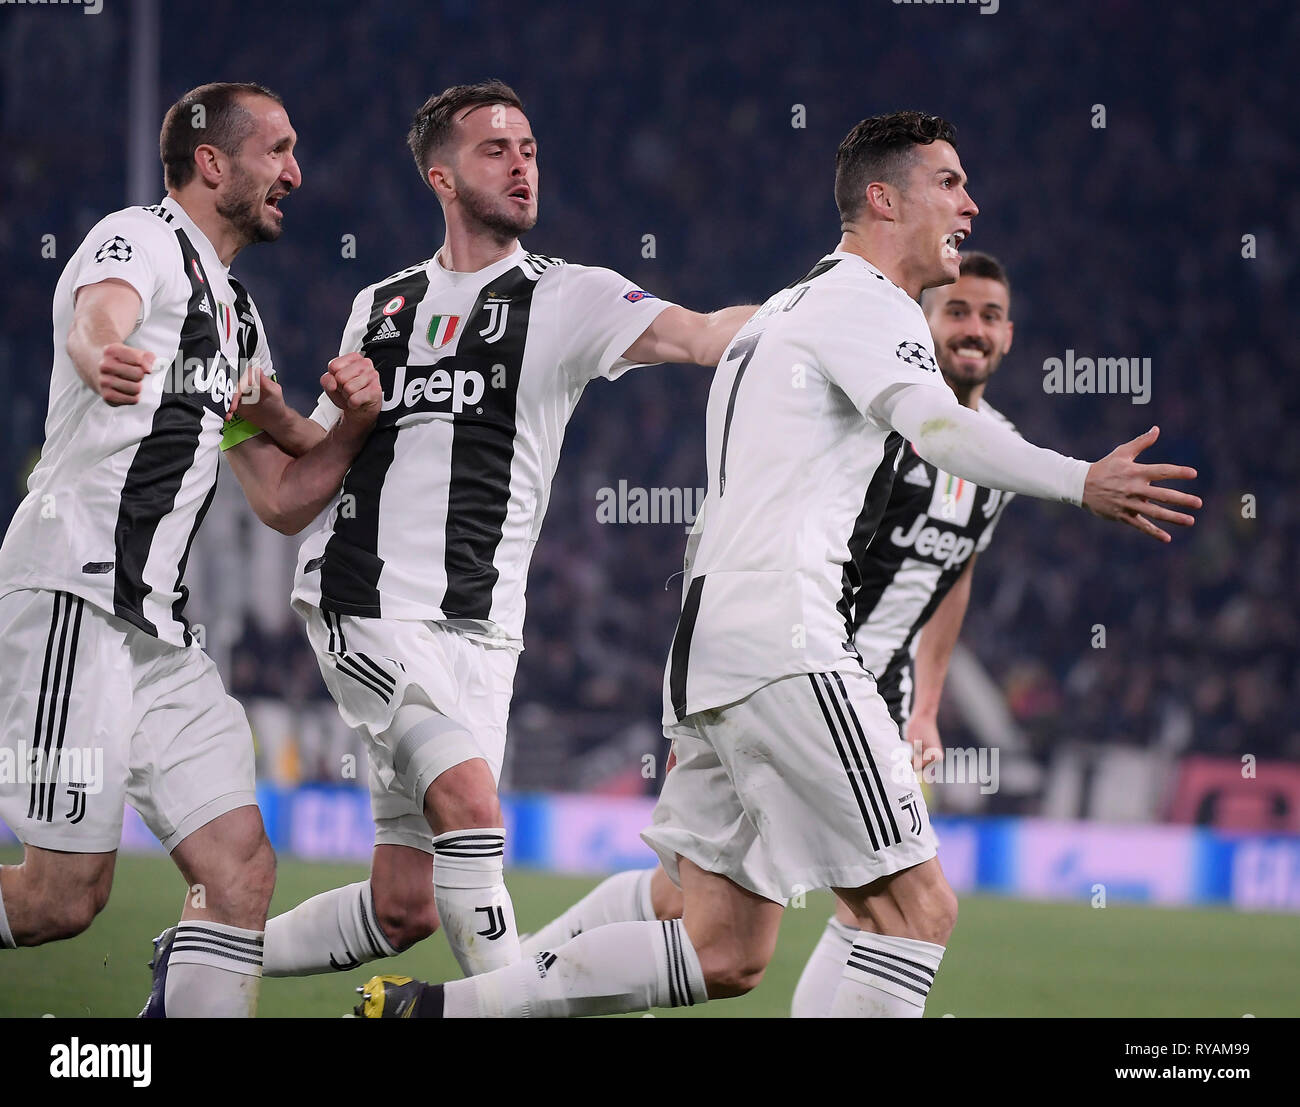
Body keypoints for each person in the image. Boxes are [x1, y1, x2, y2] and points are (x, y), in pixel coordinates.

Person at [355, 111, 1200, 1018]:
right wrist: (1081, 479)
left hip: (715, 648)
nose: (971, 203)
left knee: (722, 948)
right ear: (884, 198)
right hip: (788, 643)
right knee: (916, 910)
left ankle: (440, 1012)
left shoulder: (786, 310)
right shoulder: (867, 304)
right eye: (950, 183)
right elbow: (942, 427)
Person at [216, 80, 756, 984]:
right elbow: (297, 491)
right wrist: (252, 420)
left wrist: (809, 327)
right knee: (473, 809)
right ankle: (502, 1012)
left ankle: (196, 957)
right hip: (368, 604)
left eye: (530, 149)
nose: (520, 165)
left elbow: (703, 337)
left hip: (484, 635)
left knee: (405, 904)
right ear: (441, 176)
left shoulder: (569, 297)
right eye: (495, 150)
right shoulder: (380, 306)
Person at [514, 251, 1021, 1016]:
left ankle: (495, 989)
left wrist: (927, 704)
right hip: (805, 680)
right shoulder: (879, 413)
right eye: (957, 311)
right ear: (927, 321)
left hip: (880, 704)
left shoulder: (993, 454)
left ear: (1009, 334)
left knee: (843, 914)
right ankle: (506, 985)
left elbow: (955, 575)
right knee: (847, 912)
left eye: (988, 315)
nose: (973, 329)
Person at [0, 82, 382, 1019]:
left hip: (160, 635)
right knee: (62, 897)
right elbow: (101, 316)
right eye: (278, 150)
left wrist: (353, 417)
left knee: (240, 867)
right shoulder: (138, 239)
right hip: (73, 593)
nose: (296, 171)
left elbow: (288, 491)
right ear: (213, 163)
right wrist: (102, 354)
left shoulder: (239, 315)